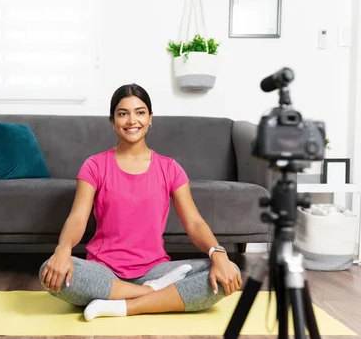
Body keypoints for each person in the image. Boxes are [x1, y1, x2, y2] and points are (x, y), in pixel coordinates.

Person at [39, 83, 242, 321]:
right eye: (123, 113)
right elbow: (77, 218)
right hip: (104, 271)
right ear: (113, 121)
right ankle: (151, 295)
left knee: (230, 271)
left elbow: (195, 223)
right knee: (49, 272)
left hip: (155, 270)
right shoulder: (94, 165)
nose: (131, 120)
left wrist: (218, 254)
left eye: (140, 112)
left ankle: (123, 306)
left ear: (150, 118)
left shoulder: (170, 168)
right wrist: (63, 250)